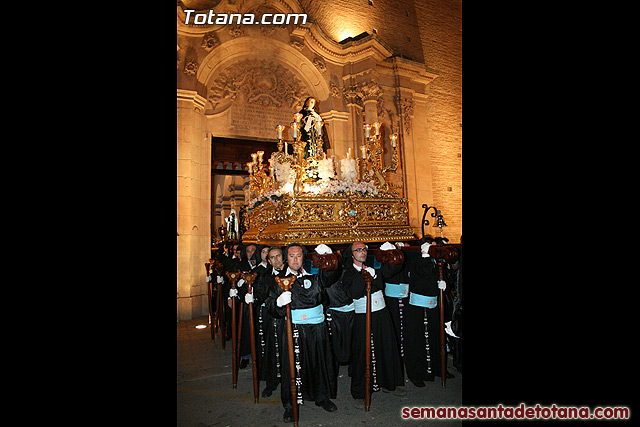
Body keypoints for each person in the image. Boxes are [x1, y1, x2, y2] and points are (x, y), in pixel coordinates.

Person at [265, 243, 340, 423]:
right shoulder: (279, 281)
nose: (296, 259)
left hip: (317, 329)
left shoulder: (315, 276)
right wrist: (279, 303)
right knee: (291, 367)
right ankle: (290, 405)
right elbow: (271, 307)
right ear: (286, 258)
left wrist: (327, 257)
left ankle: (322, 397)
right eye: (292, 256)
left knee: (319, 362)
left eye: (299, 255)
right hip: (294, 329)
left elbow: (331, 276)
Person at [342, 241, 405, 410]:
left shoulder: (372, 268)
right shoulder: (348, 273)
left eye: (364, 249)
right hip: (363, 316)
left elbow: (381, 284)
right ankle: (360, 392)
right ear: (352, 254)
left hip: (381, 313)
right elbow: (353, 292)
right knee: (363, 352)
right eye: (359, 250)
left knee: (386, 347)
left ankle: (389, 382)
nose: (363, 252)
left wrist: (374, 276)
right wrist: (363, 277)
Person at [404, 240, 454, 386]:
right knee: (417, 340)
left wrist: (444, 283)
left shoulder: (437, 261)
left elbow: (446, 275)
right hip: (417, 307)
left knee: (436, 337)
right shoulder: (416, 261)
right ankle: (417, 373)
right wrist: (425, 255)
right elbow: (424, 272)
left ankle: (438, 368)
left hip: (434, 305)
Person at [253, 246, 286, 397]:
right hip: (272, 318)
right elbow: (261, 294)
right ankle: (271, 383)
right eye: (272, 257)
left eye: (278, 256)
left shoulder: (291, 272)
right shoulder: (265, 276)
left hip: (290, 319)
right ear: (269, 261)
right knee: (272, 350)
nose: (276, 259)